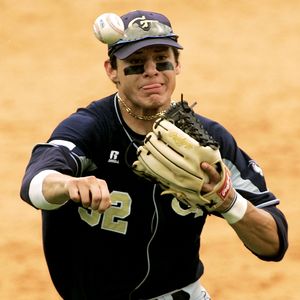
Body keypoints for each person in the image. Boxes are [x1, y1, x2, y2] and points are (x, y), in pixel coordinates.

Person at [20, 10, 288, 300]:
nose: (152, 70)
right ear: (112, 70)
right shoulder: (91, 129)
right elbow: (35, 183)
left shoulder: (208, 143)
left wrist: (229, 201)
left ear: (177, 65)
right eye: (136, 63)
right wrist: (68, 184)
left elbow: (273, 243)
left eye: (162, 60)